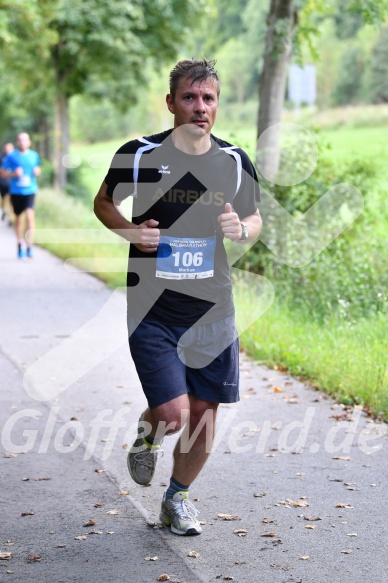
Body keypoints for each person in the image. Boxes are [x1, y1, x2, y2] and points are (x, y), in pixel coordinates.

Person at [94, 59, 262, 536]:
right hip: (153, 308)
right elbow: (104, 202)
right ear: (171, 103)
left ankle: (177, 499)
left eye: (208, 98)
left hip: (213, 308)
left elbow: (254, 218)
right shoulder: (141, 155)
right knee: (173, 414)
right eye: (189, 97)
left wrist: (242, 228)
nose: (199, 107)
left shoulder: (233, 161)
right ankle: (148, 437)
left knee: (204, 412)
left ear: (218, 104)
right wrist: (131, 232)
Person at [0, 132, 41, 259]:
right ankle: (19, 244)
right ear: (17, 142)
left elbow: (38, 169)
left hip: (30, 190)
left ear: (29, 142)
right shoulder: (12, 156)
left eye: (25, 140)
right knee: (18, 219)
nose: (22, 142)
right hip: (16, 192)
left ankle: (29, 246)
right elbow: (2, 172)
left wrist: (37, 171)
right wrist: (13, 175)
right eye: (20, 140)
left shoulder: (34, 155)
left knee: (29, 217)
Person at [0, 142, 15, 225]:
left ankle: (10, 218)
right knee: (3, 199)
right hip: (3, 182)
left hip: (12, 183)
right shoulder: (1, 158)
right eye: (7, 148)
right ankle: (3, 210)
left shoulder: (16, 158)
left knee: (11, 201)